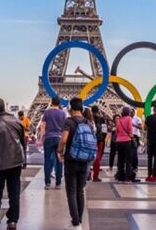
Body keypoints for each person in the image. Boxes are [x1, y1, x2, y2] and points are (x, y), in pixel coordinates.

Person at [0, 97, 26, 230]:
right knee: (14, 192)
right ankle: (13, 220)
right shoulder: (16, 121)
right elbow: (22, 142)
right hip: (16, 161)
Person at [58, 98, 92, 228]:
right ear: (82, 108)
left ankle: (75, 221)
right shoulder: (88, 122)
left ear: (71, 109)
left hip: (72, 160)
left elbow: (64, 139)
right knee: (80, 191)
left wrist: (60, 151)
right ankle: (80, 220)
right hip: (85, 160)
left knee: (71, 191)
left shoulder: (69, 121)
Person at [40, 97, 66, 190]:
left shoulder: (47, 112)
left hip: (48, 138)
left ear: (51, 102)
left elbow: (43, 127)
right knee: (59, 161)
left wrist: (40, 139)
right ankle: (58, 183)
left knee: (47, 161)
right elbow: (64, 129)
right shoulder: (63, 113)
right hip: (59, 139)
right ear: (59, 103)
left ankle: (47, 183)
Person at [115, 107, 135, 183]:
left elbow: (116, 131)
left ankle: (120, 177)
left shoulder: (118, 120)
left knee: (120, 160)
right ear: (128, 112)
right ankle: (127, 178)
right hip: (127, 141)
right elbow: (130, 129)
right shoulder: (129, 118)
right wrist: (131, 136)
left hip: (119, 141)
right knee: (128, 160)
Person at [90, 105, 107, 182]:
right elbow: (104, 131)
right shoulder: (102, 119)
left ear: (92, 111)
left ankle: (88, 174)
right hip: (99, 140)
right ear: (98, 110)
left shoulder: (89, 118)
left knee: (87, 157)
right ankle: (95, 176)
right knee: (97, 157)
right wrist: (103, 139)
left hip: (89, 140)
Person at [130, 109, 142, 181]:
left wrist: (133, 125)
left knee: (134, 153)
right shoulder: (128, 118)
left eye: (132, 112)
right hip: (129, 136)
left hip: (135, 136)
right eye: (130, 112)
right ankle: (132, 168)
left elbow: (141, 127)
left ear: (134, 112)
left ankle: (134, 168)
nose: (131, 113)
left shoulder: (137, 119)